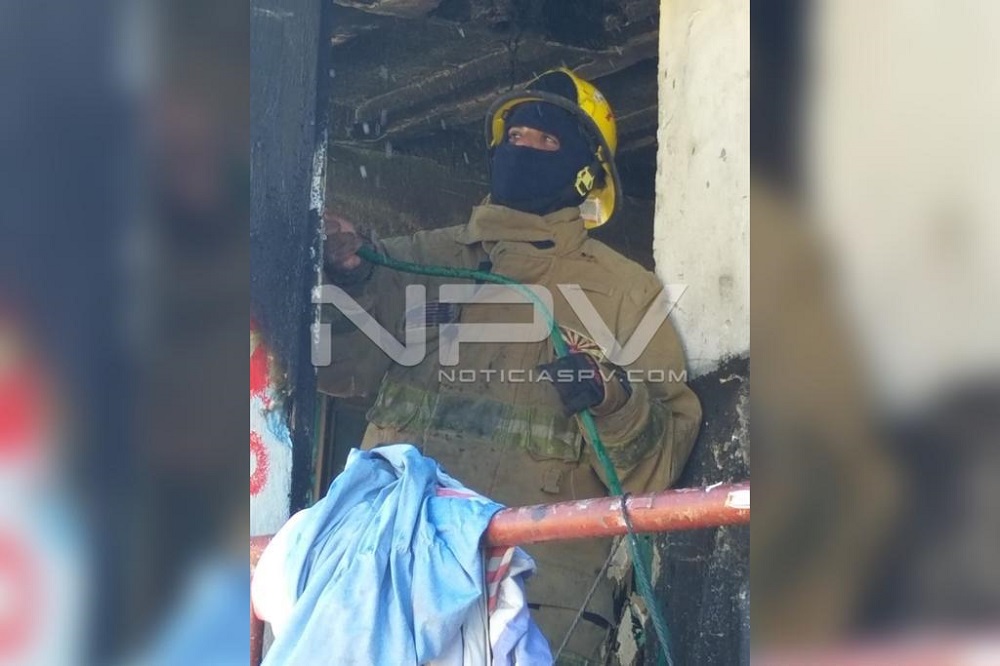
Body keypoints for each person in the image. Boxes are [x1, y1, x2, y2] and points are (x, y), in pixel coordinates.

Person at [317, 68, 701, 664]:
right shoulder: (417, 261)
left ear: (587, 172)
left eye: (547, 141)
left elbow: (659, 468)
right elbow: (334, 370)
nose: (524, 149)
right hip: (390, 582)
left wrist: (614, 403)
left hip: (534, 606)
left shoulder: (626, 293)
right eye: (515, 137)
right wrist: (348, 275)